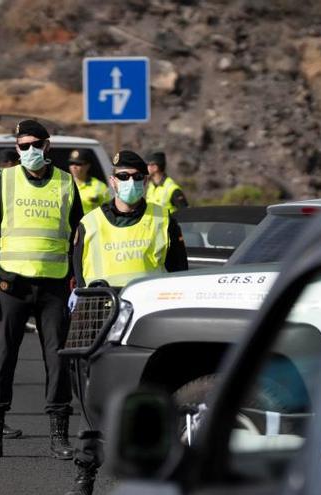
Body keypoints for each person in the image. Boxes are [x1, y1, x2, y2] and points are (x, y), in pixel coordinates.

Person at [65, 150, 188, 495]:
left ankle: (144, 476)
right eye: (123, 177)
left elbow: (180, 276)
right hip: (99, 318)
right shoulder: (89, 223)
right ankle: (85, 472)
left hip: (148, 319)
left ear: (146, 180)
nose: (130, 183)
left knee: (147, 396)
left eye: (137, 177)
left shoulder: (164, 220)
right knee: (93, 403)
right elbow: (77, 277)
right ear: (112, 181)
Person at [0, 119, 83, 459]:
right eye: (23, 146)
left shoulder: (65, 183)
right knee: (1, 358)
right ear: (16, 149)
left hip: (54, 287)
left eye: (35, 144)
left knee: (58, 360)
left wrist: (80, 281)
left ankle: (59, 437)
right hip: (11, 285)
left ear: (47, 146)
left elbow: (78, 236)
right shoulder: (4, 181)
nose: (29, 151)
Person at [68, 149, 109, 214]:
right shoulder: (64, 184)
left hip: (91, 223)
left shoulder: (100, 186)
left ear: (87, 166)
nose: (74, 166)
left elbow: (107, 211)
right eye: (71, 163)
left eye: (78, 164)